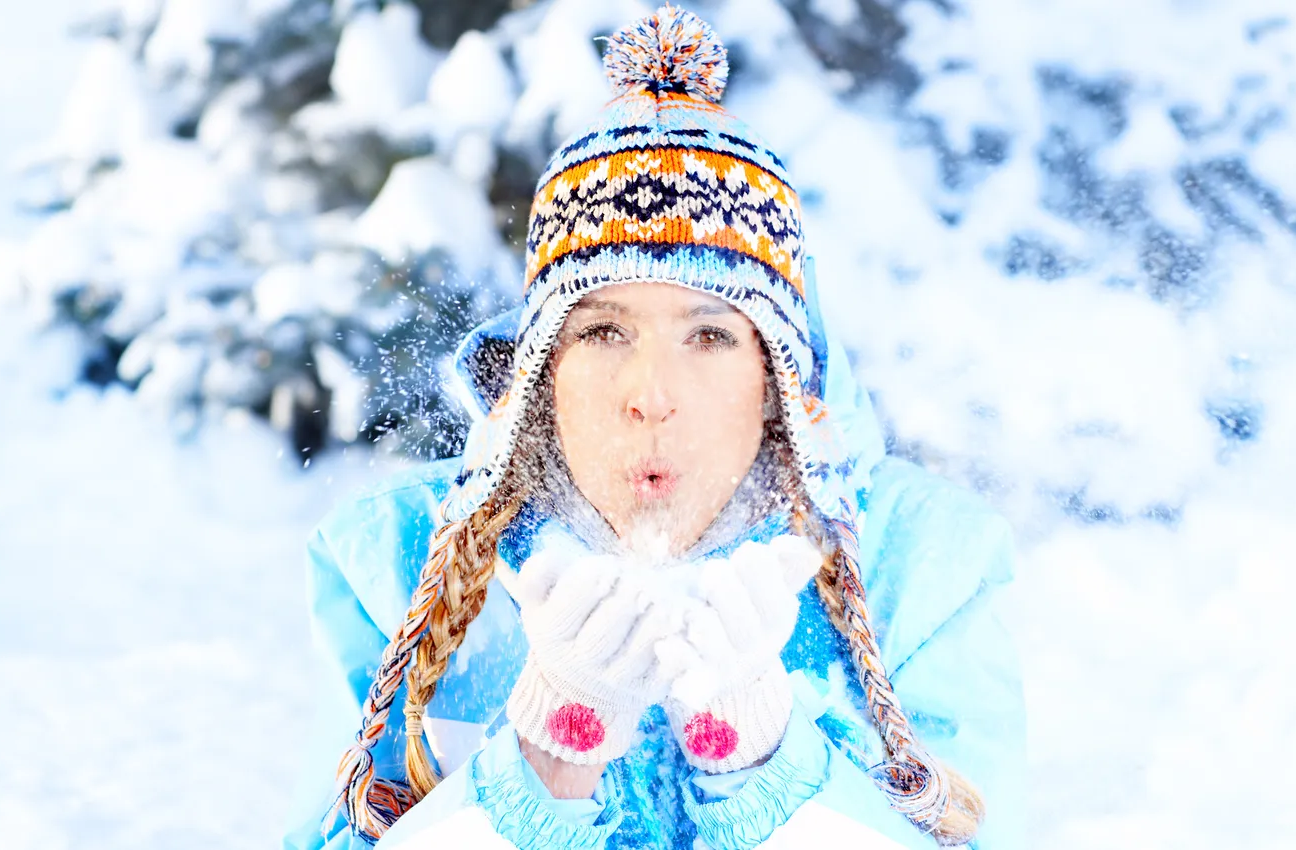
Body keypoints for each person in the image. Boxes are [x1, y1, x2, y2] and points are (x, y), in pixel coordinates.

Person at [281, 5, 1024, 848]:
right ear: (542, 368)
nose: (652, 394)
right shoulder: (397, 560)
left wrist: (769, 771)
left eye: (709, 335)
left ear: (776, 376)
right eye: (603, 332)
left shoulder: (919, 570)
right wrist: (541, 765)